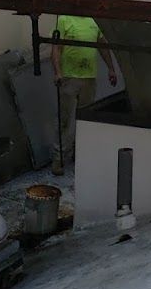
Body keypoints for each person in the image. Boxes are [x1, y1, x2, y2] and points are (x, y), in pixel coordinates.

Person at [51, 14, 119, 176]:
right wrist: (58, 72)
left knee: (85, 121)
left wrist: (111, 68)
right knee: (65, 120)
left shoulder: (94, 20)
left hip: (89, 79)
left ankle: (79, 154)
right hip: (69, 79)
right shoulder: (64, 19)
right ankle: (58, 159)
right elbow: (56, 48)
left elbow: (102, 45)